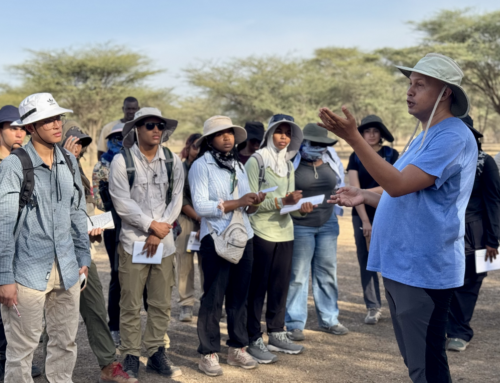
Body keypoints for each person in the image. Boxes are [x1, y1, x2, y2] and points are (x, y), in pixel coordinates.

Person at [320, 53, 477, 383]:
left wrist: (354, 139)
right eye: (410, 84)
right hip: (401, 264)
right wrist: (365, 194)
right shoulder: (423, 136)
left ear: (445, 92)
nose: (410, 91)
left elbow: (399, 184)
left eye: (420, 85)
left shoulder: (452, 135)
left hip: (424, 268)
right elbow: (403, 193)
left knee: (427, 366)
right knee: (417, 362)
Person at [0, 93, 91, 382]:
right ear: (29, 127)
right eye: (47, 119)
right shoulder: (14, 165)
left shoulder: (68, 160)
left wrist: (83, 258)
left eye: (58, 117)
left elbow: (77, 211)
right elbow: (4, 224)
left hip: (67, 268)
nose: (56, 124)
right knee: (21, 349)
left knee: (65, 343)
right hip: (26, 271)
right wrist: (4, 277)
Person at [39, 123, 136, 383]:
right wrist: (66, 160)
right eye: (74, 141)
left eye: (82, 142)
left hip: (79, 254)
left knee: (93, 307)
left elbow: (83, 206)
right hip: (52, 253)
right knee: (55, 313)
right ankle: (46, 367)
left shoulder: (79, 169)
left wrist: (93, 227)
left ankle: (108, 365)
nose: (78, 146)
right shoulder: (45, 166)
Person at [109, 107, 183, 379]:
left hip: (163, 245)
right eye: (149, 125)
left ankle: (154, 352)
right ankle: (130, 354)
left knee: (161, 302)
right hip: (133, 243)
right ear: (137, 129)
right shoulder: (121, 161)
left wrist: (159, 231)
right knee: (129, 303)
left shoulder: (174, 161)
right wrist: (151, 226)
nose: (156, 130)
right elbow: (122, 203)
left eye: (160, 126)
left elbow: (176, 199)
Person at [189, 116, 265, 377]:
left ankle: (237, 348)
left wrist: (254, 202)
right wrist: (237, 201)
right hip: (216, 238)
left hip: (244, 236)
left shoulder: (238, 166)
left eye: (230, 133)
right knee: (213, 296)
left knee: (239, 296)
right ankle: (208, 353)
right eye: (220, 134)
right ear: (209, 140)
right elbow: (201, 207)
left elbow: (247, 208)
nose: (226, 138)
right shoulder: (201, 166)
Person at [244, 114, 312, 363]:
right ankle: (253, 337)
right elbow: (249, 204)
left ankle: (276, 332)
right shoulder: (257, 161)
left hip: (285, 232)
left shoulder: (288, 164)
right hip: (261, 232)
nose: (284, 137)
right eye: (279, 131)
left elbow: (288, 202)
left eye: (288, 133)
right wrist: (284, 201)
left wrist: (300, 206)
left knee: (280, 287)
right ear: (269, 134)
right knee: (257, 288)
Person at [285, 123, 348, 342]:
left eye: (321, 144)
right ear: (302, 143)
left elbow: (339, 184)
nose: (316, 147)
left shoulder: (331, 160)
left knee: (327, 272)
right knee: (298, 275)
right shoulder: (291, 164)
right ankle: (294, 323)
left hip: (328, 222)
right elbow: (285, 197)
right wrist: (297, 206)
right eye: (311, 143)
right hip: (300, 224)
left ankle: (330, 319)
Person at [446, 115, 500, 352]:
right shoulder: (445, 161)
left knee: (470, 282)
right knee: (447, 281)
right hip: (446, 230)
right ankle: (447, 327)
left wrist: (493, 240)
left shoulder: (485, 162)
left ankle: (460, 332)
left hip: (476, 233)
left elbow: (493, 201)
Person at [93, 122, 149, 347]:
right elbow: (97, 198)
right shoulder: (102, 165)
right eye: (114, 137)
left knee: (146, 276)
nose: (119, 140)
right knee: (117, 275)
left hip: (140, 225)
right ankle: (114, 327)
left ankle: (151, 332)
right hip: (114, 227)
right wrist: (119, 203)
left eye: (123, 136)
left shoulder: (140, 160)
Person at [0, 105, 41, 381]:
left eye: (22, 128)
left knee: (10, 313)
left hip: (13, 245)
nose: (19, 133)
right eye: (12, 128)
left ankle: (9, 363)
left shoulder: (25, 163)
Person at [346, 115, 399, 324]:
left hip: (389, 211)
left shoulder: (391, 154)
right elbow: (353, 191)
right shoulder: (355, 156)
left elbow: (394, 184)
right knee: (366, 260)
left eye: (375, 131)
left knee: (392, 259)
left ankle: (397, 304)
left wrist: (363, 192)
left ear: (381, 134)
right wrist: (365, 221)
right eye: (367, 131)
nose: (371, 135)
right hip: (361, 215)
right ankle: (373, 306)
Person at [175, 133, 203, 322]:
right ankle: (186, 304)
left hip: (208, 219)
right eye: (195, 146)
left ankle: (209, 301)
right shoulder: (180, 169)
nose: (198, 150)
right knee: (185, 262)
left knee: (207, 263)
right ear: (188, 147)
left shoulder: (209, 167)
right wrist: (198, 217)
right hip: (186, 218)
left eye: (202, 146)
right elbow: (180, 198)